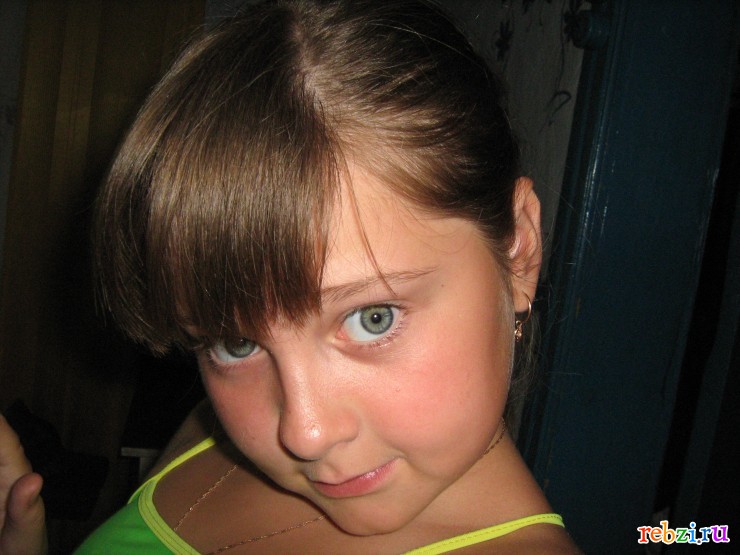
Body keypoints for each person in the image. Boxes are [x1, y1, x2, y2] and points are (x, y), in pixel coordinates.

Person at [0, 0, 581, 552]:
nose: (304, 434)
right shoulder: (210, 429)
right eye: (235, 342)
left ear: (519, 251)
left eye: (372, 318)